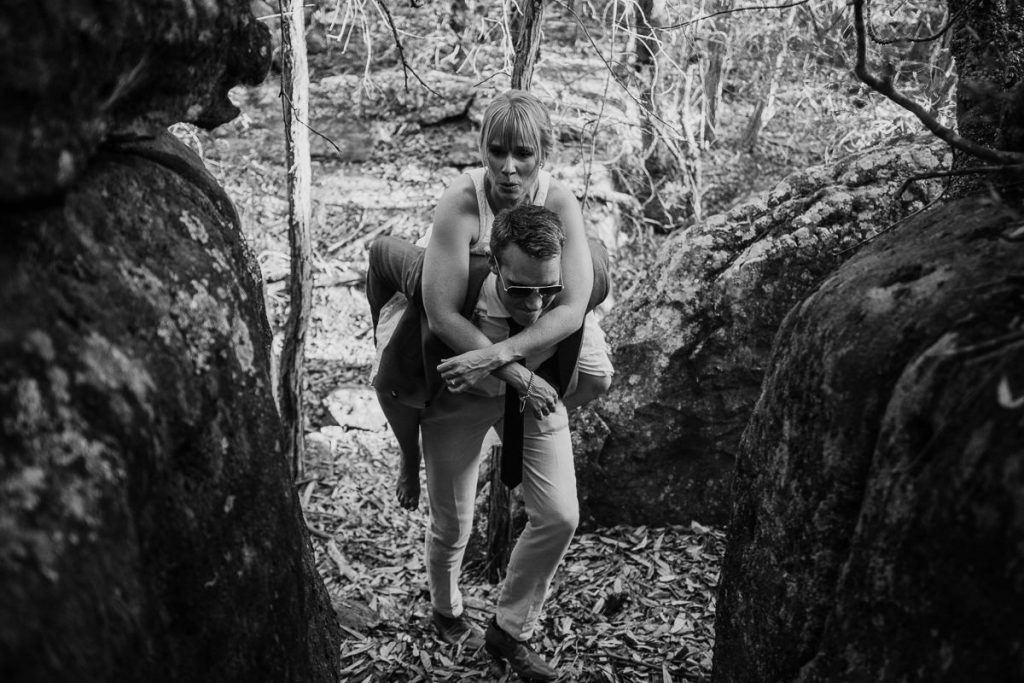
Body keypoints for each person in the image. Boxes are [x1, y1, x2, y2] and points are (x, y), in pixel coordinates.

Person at [366, 89, 612, 511]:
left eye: (523, 153)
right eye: (496, 151)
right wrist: (520, 378)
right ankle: (410, 456)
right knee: (396, 374)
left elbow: (572, 307)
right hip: (442, 273)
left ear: (544, 153)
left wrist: (498, 357)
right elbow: (443, 315)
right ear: (482, 149)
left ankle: (500, 425)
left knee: (597, 334)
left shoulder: (558, 200)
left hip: (517, 294)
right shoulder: (462, 200)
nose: (508, 168)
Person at [392, 204, 605, 680]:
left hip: (531, 404)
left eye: (546, 290)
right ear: (494, 264)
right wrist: (408, 459)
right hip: (457, 406)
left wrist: (551, 406)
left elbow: (596, 378)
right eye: (520, 291)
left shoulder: (576, 293)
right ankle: (446, 610)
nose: (533, 306)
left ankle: (510, 630)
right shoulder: (461, 291)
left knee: (560, 515)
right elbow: (398, 376)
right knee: (453, 524)